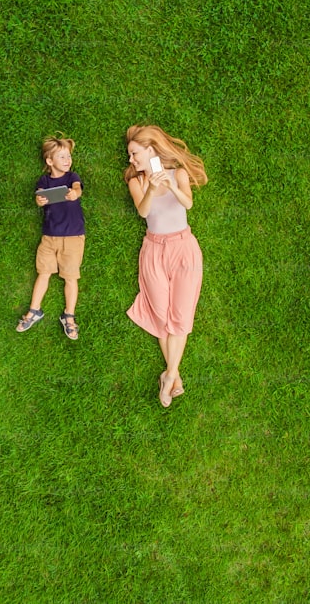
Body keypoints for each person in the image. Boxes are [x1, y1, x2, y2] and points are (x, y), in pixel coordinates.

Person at [124, 125, 207, 407]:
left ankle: (170, 375)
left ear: (150, 150)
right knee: (161, 315)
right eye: (129, 155)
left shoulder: (178, 174)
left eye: (134, 154)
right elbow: (144, 211)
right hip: (154, 250)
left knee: (181, 315)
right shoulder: (137, 181)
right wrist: (152, 188)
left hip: (183, 248)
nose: (131, 160)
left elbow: (188, 203)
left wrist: (170, 185)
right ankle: (174, 375)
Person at [16, 134, 84, 340]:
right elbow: (39, 196)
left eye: (69, 156)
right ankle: (34, 311)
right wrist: (40, 200)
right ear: (49, 161)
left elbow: (77, 189)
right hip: (49, 237)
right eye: (62, 157)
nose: (67, 160)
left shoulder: (72, 177)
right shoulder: (44, 180)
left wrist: (74, 193)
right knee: (43, 272)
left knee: (71, 277)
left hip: (73, 236)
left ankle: (69, 316)